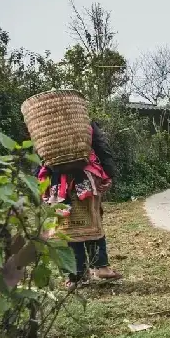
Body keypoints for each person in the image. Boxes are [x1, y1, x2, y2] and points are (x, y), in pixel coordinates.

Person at [37, 121, 122, 289]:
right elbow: (101, 146)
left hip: (57, 182)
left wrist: (39, 181)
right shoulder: (84, 122)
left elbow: (39, 154)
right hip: (87, 177)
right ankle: (101, 266)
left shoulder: (44, 125)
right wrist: (109, 174)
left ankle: (77, 275)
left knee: (68, 228)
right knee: (91, 219)